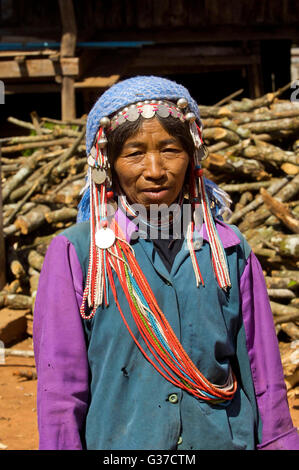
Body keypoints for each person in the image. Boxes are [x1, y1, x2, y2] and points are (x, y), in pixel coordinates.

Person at [33, 75, 299, 450]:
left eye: (170, 149)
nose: (155, 169)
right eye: (135, 153)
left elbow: (263, 372)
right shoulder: (78, 256)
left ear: (193, 157)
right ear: (106, 163)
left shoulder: (229, 250)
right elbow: (60, 389)